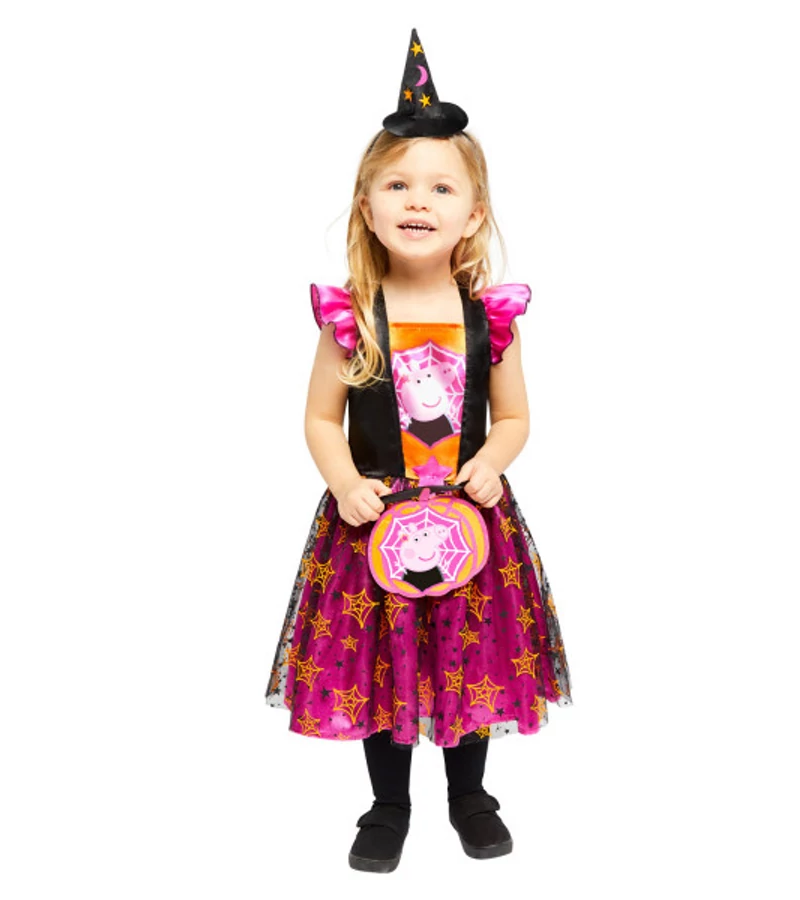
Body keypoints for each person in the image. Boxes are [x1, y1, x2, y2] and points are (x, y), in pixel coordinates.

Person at [266, 28, 572, 873]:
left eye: (441, 187)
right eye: (398, 184)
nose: (418, 200)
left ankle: (470, 795)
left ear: (473, 214)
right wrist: (344, 483)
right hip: (372, 524)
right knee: (381, 659)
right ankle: (389, 805)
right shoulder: (351, 316)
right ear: (366, 205)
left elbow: (514, 416)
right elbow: (320, 418)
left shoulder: (490, 318)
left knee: (470, 654)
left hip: (469, 523)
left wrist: (493, 462)